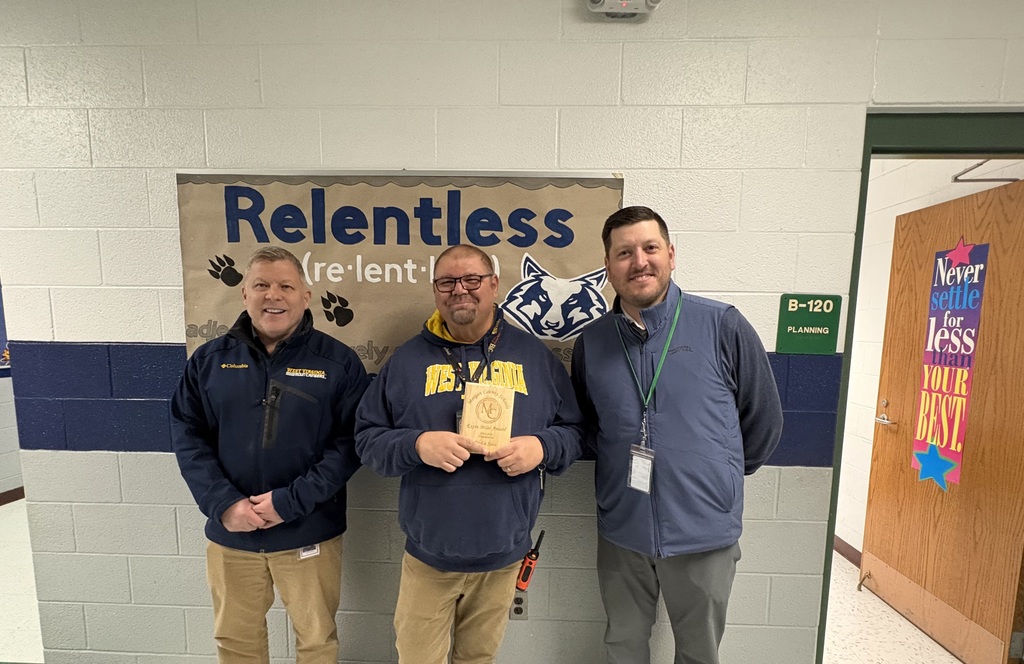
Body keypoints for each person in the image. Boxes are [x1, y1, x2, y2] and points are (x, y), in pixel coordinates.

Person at [571, 206, 784, 664]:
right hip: (623, 530)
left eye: (649, 248)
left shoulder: (721, 324)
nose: (639, 262)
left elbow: (763, 419)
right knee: (622, 646)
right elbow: (591, 424)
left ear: (670, 254)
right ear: (608, 267)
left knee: (699, 654)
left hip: (704, 532)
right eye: (624, 253)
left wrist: (717, 478)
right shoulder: (592, 342)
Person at [355, 244, 583, 664]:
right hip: (429, 557)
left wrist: (542, 447)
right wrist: (416, 445)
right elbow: (367, 440)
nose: (460, 290)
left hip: (503, 555)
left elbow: (574, 433)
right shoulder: (405, 362)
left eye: (472, 280)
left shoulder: (535, 358)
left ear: (494, 285)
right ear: (436, 290)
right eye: (447, 281)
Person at [171, 246, 370, 664]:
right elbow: (188, 435)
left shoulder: (338, 363)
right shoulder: (209, 360)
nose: (272, 295)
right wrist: (223, 504)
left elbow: (351, 444)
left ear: (306, 296)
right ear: (244, 294)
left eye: (285, 286)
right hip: (232, 533)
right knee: (235, 641)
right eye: (261, 285)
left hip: (308, 530)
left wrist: (289, 502)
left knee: (317, 641)